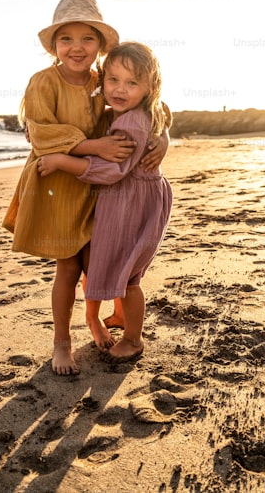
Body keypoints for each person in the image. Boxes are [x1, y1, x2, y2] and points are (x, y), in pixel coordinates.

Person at [3, 0, 163, 376]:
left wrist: (163, 138)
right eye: (66, 39)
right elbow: (42, 134)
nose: (77, 48)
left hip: (99, 191)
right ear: (54, 46)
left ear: (99, 46)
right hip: (57, 184)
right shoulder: (42, 82)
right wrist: (95, 146)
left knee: (96, 263)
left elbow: (151, 106)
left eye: (87, 39)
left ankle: (95, 321)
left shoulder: (103, 80)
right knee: (69, 267)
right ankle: (62, 342)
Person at [37, 42, 172, 364]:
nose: (119, 90)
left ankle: (134, 340)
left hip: (132, 203)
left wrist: (60, 161)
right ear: (102, 80)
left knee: (129, 279)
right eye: (113, 80)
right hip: (130, 200)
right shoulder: (132, 113)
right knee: (113, 266)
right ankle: (105, 321)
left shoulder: (131, 122)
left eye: (131, 83)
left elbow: (112, 171)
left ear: (150, 86)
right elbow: (160, 114)